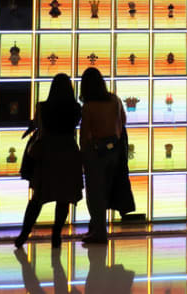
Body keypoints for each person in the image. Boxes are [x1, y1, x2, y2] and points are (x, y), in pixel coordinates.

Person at [15, 74, 82, 248]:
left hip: (47, 153)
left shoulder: (43, 107)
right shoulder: (75, 108)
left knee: (38, 197)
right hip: (68, 152)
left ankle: (24, 233)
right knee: (64, 197)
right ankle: (56, 235)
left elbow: (37, 126)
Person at [80, 67, 126, 245]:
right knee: (106, 191)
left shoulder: (89, 106)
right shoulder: (114, 99)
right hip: (114, 150)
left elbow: (85, 135)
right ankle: (96, 228)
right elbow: (123, 120)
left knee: (94, 194)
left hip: (95, 153)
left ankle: (99, 232)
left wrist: (83, 157)